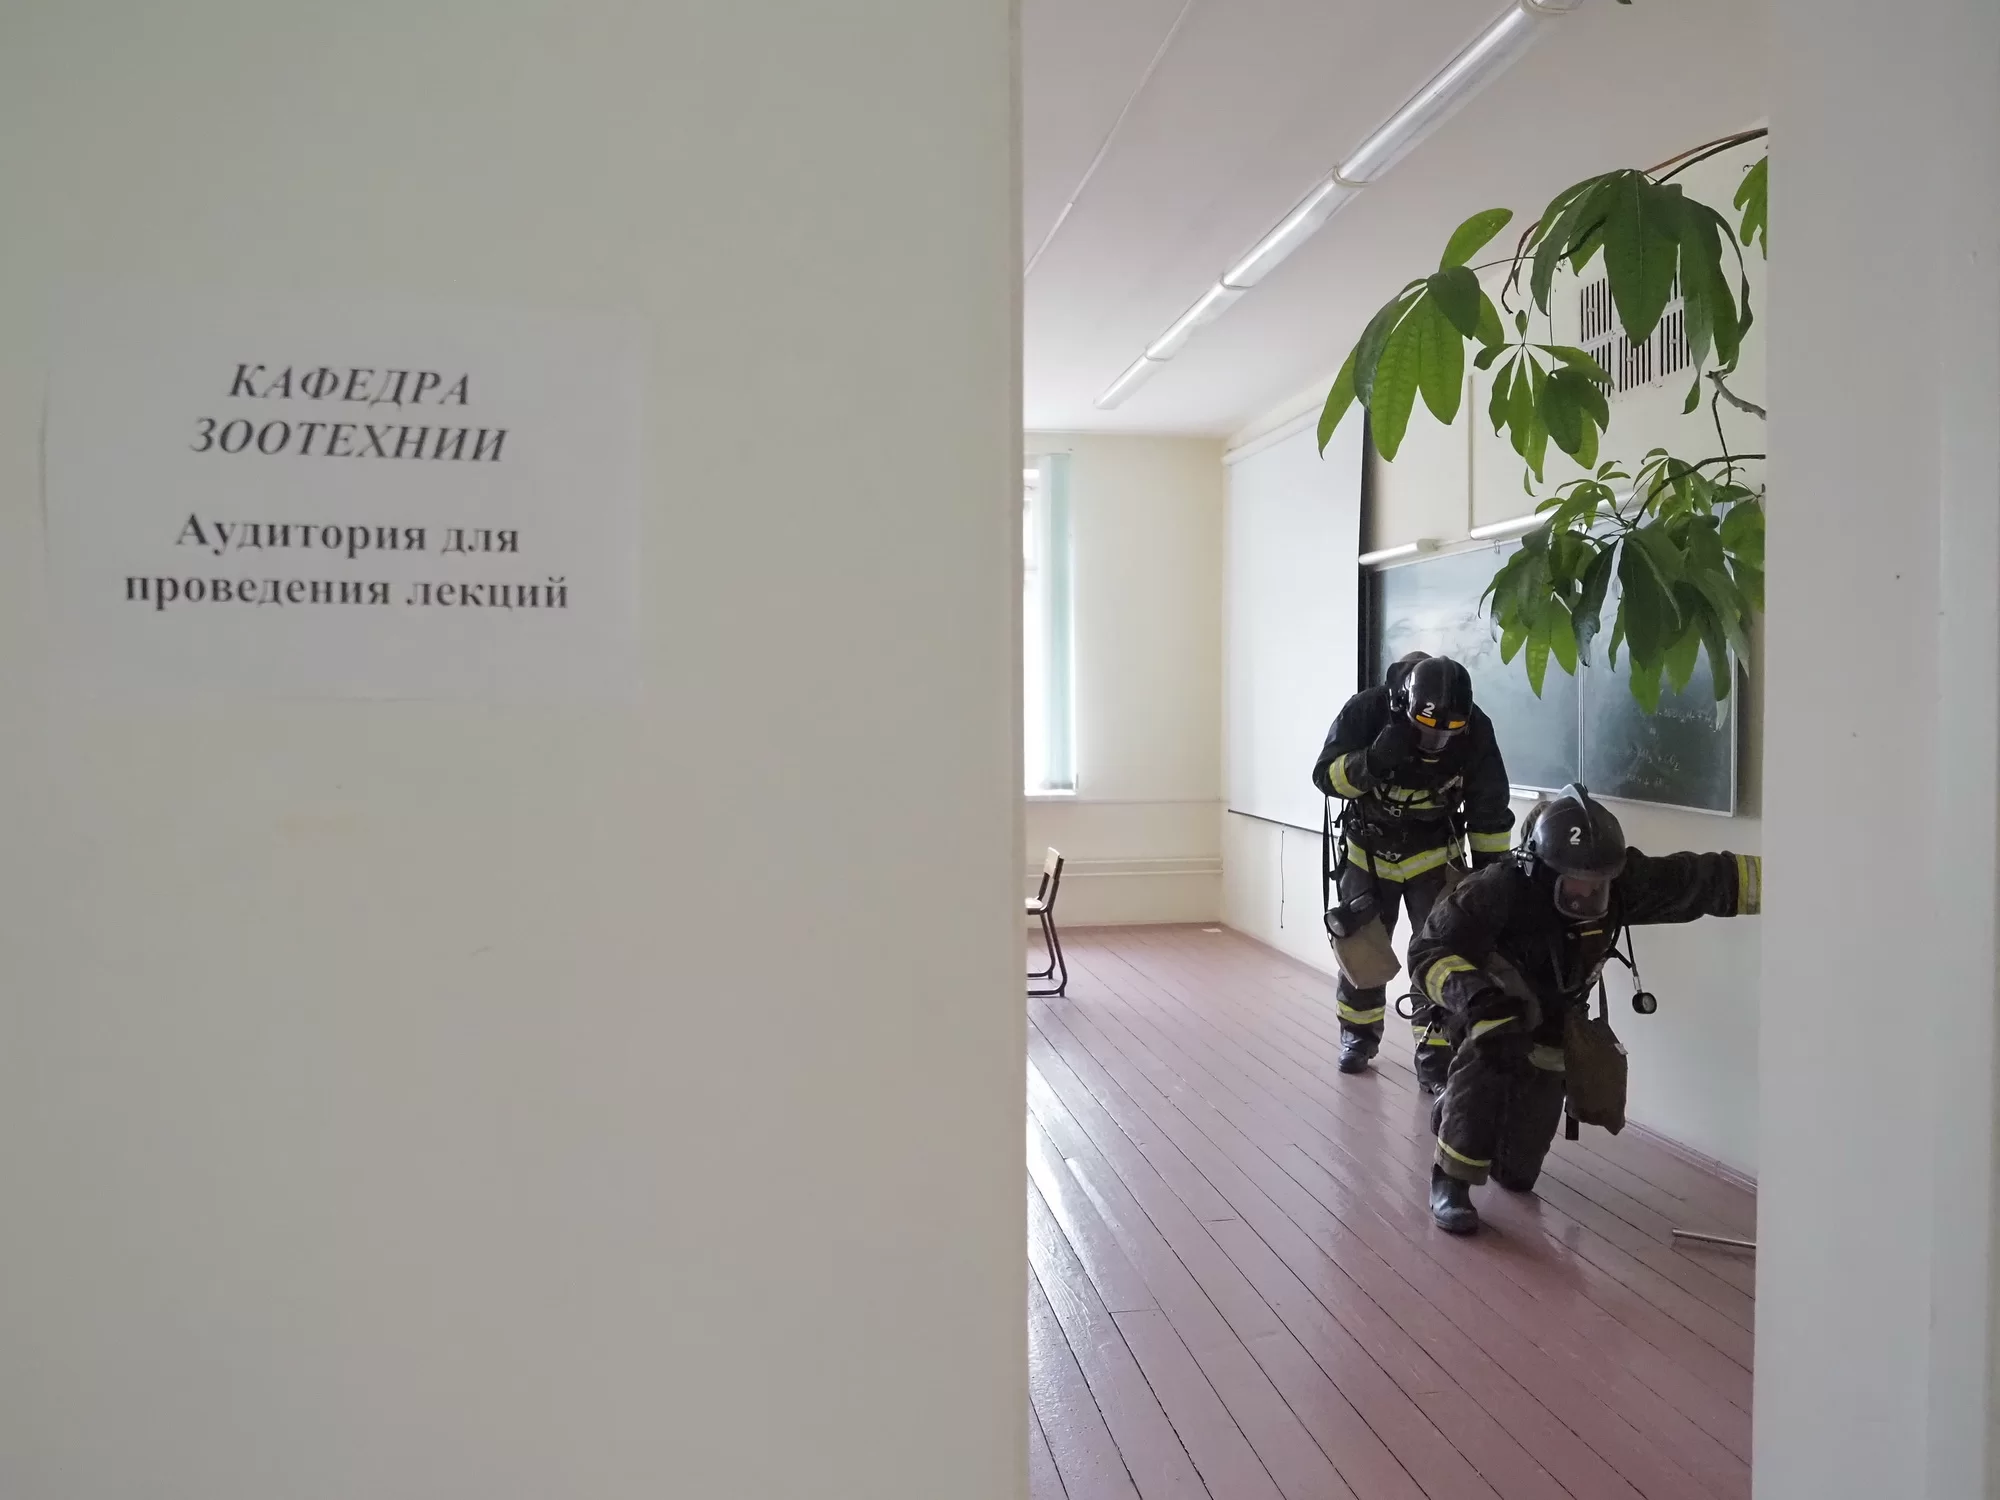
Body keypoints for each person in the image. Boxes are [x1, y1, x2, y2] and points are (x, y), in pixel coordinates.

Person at [1410, 783, 1762, 1234]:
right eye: (1577, 880)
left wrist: (1793, 880)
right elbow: (1429, 952)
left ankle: (1456, 1113)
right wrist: (1478, 1001)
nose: (1589, 892)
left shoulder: (1620, 882)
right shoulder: (1497, 888)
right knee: (1486, 1068)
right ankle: (1450, 1181)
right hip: (1491, 1018)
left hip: (1556, 1029)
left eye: (1599, 882)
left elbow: (1700, 880)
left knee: (1516, 1177)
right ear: (1541, 869)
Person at [1312, 651, 1514, 1088]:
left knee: (1442, 953)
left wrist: (1494, 881)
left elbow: (1490, 808)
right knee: (1362, 949)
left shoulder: (1476, 729)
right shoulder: (1367, 710)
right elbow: (1325, 777)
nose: (1435, 740)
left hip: (1434, 855)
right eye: (1425, 728)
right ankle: (1357, 1036)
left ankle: (1435, 1053)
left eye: (1448, 731)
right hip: (1367, 852)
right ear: (1402, 705)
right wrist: (1373, 761)